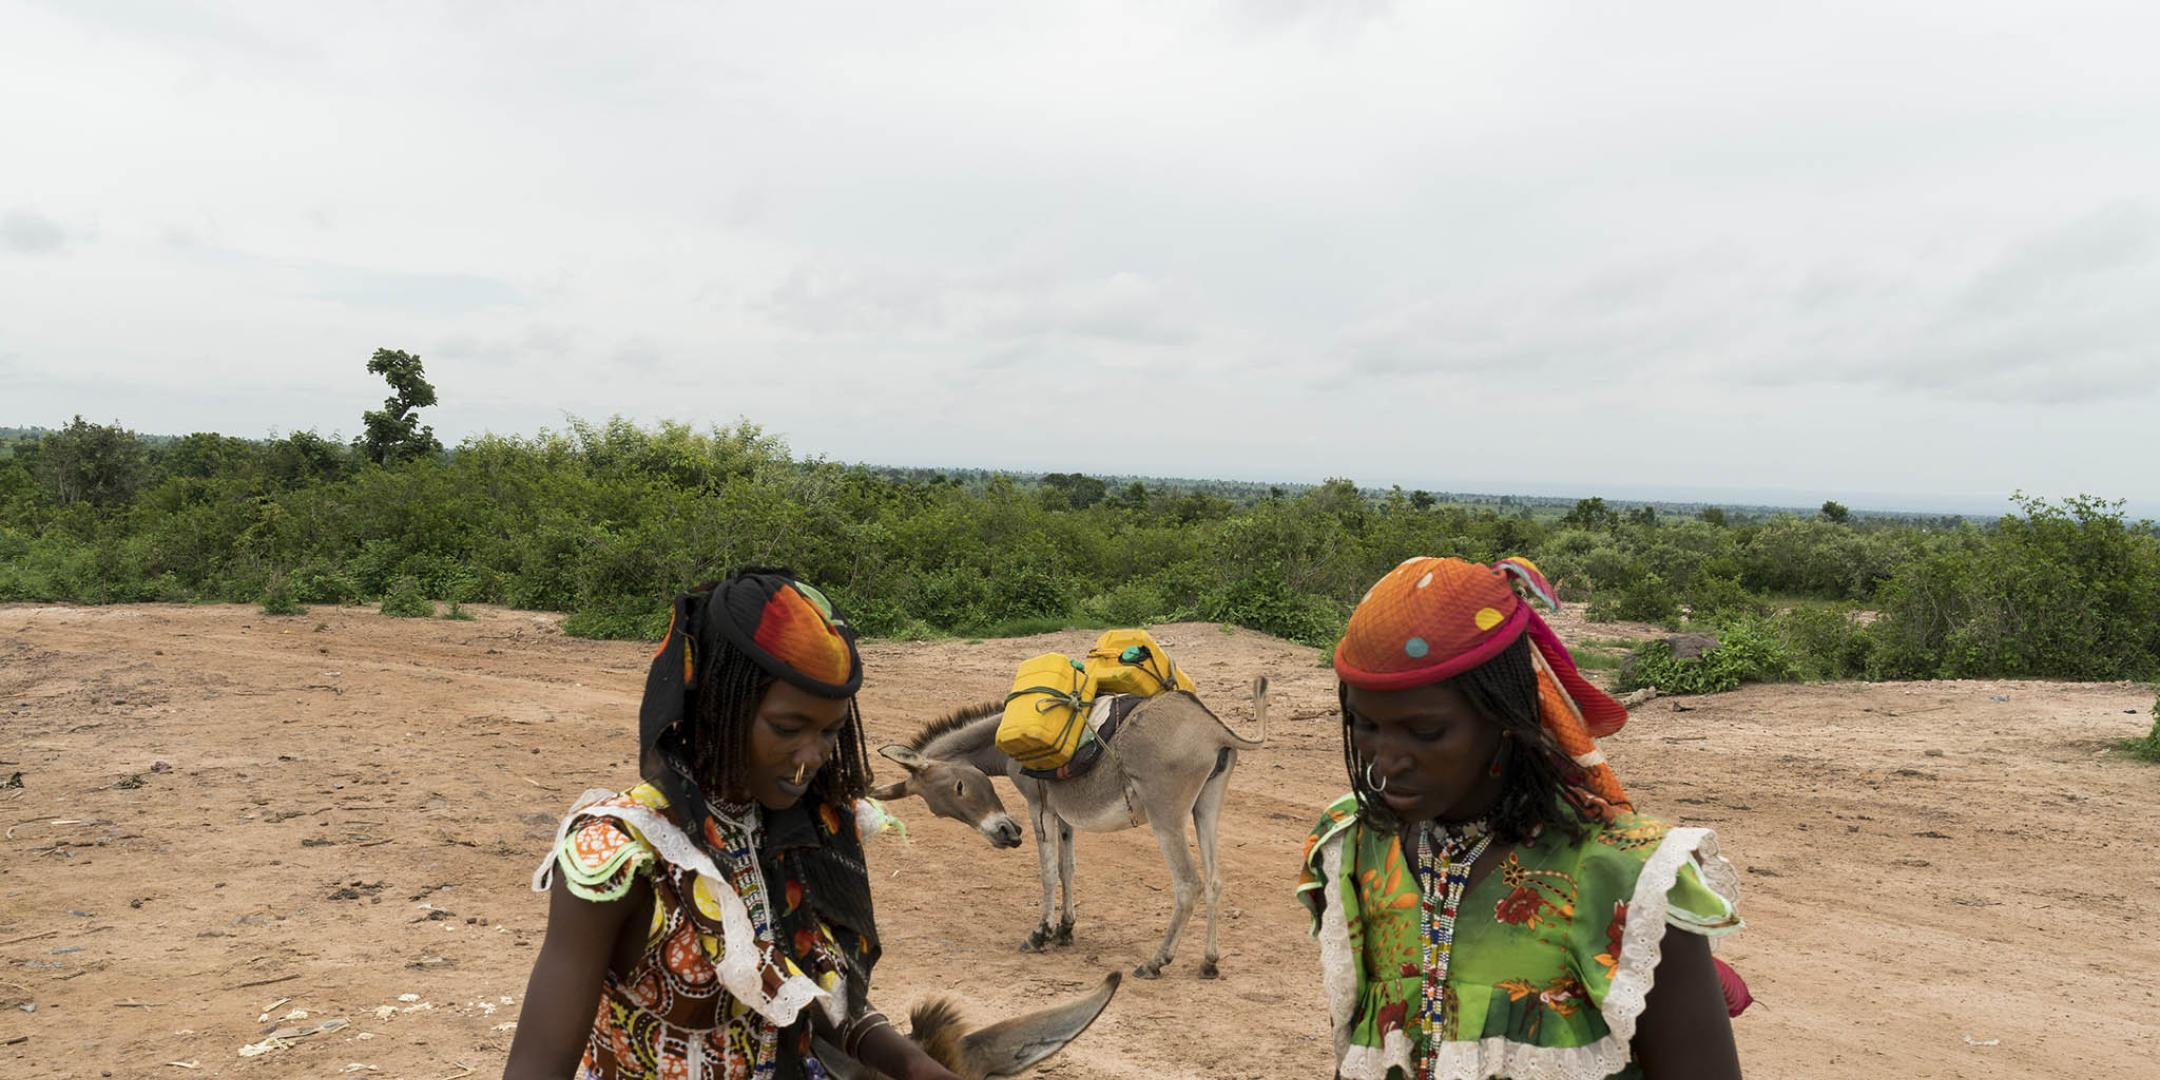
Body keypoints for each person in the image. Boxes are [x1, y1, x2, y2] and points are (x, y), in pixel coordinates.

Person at [1298, 556, 1747, 1080]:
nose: (1385, 760)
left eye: (1424, 733)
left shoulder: (1624, 874)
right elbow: (1362, 1046)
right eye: (1364, 724)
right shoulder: (1355, 847)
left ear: (1506, 718)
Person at [504, 568, 961, 1080]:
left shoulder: (813, 825)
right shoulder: (621, 855)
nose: (811, 759)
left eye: (831, 731)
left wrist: (910, 1062)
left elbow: (815, 994)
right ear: (720, 705)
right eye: (788, 729)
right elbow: (535, 1067)